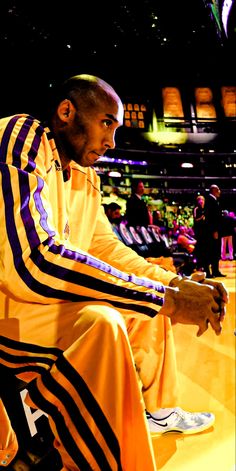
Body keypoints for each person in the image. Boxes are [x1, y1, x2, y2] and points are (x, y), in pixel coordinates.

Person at [0, 74, 228, 471]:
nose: (112, 141)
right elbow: (33, 264)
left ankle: (157, 412)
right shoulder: (22, 136)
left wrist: (173, 283)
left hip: (36, 303)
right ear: (67, 112)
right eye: (107, 123)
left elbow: (107, 249)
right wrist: (168, 298)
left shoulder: (84, 173)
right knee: (102, 321)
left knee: (141, 304)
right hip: (8, 307)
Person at [204, 185, 226, 278]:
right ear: (214, 190)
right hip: (213, 231)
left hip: (216, 230)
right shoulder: (210, 200)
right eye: (218, 190)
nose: (220, 192)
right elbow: (211, 217)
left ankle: (215, 271)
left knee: (216, 251)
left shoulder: (214, 200)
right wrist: (214, 230)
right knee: (212, 251)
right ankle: (210, 272)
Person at [193, 195, 208, 271]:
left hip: (205, 232)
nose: (201, 201)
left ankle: (204, 265)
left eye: (203, 199)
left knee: (205, 250)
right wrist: (201, 218)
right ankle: (199, 265)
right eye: (200, 200)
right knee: (199, 249)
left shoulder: (205, 209)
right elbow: (195, 220)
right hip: (199, 232)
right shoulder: (196, 209)